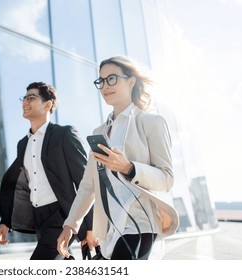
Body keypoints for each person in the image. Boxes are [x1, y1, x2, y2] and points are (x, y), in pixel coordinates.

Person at [57, 56, 179, 260]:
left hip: (140, 225)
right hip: (110, 230)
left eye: (112, 78)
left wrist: (129, 167)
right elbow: (88, 186)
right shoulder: (100, 132)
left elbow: (166, 179)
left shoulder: (152, 123)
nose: (105, 86)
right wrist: (70, 225)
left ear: (131, 81)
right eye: (101, 81)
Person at [0, 81, 94, 260]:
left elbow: (85, 180)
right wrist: (5, 220)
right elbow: (15, 183)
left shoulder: (64, 134)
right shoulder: (22, 144)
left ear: (48, 104)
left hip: (62, 214)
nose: (25, 102)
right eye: (23, 98)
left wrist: (90, 227)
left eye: (31, 98)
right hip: (38, 217)